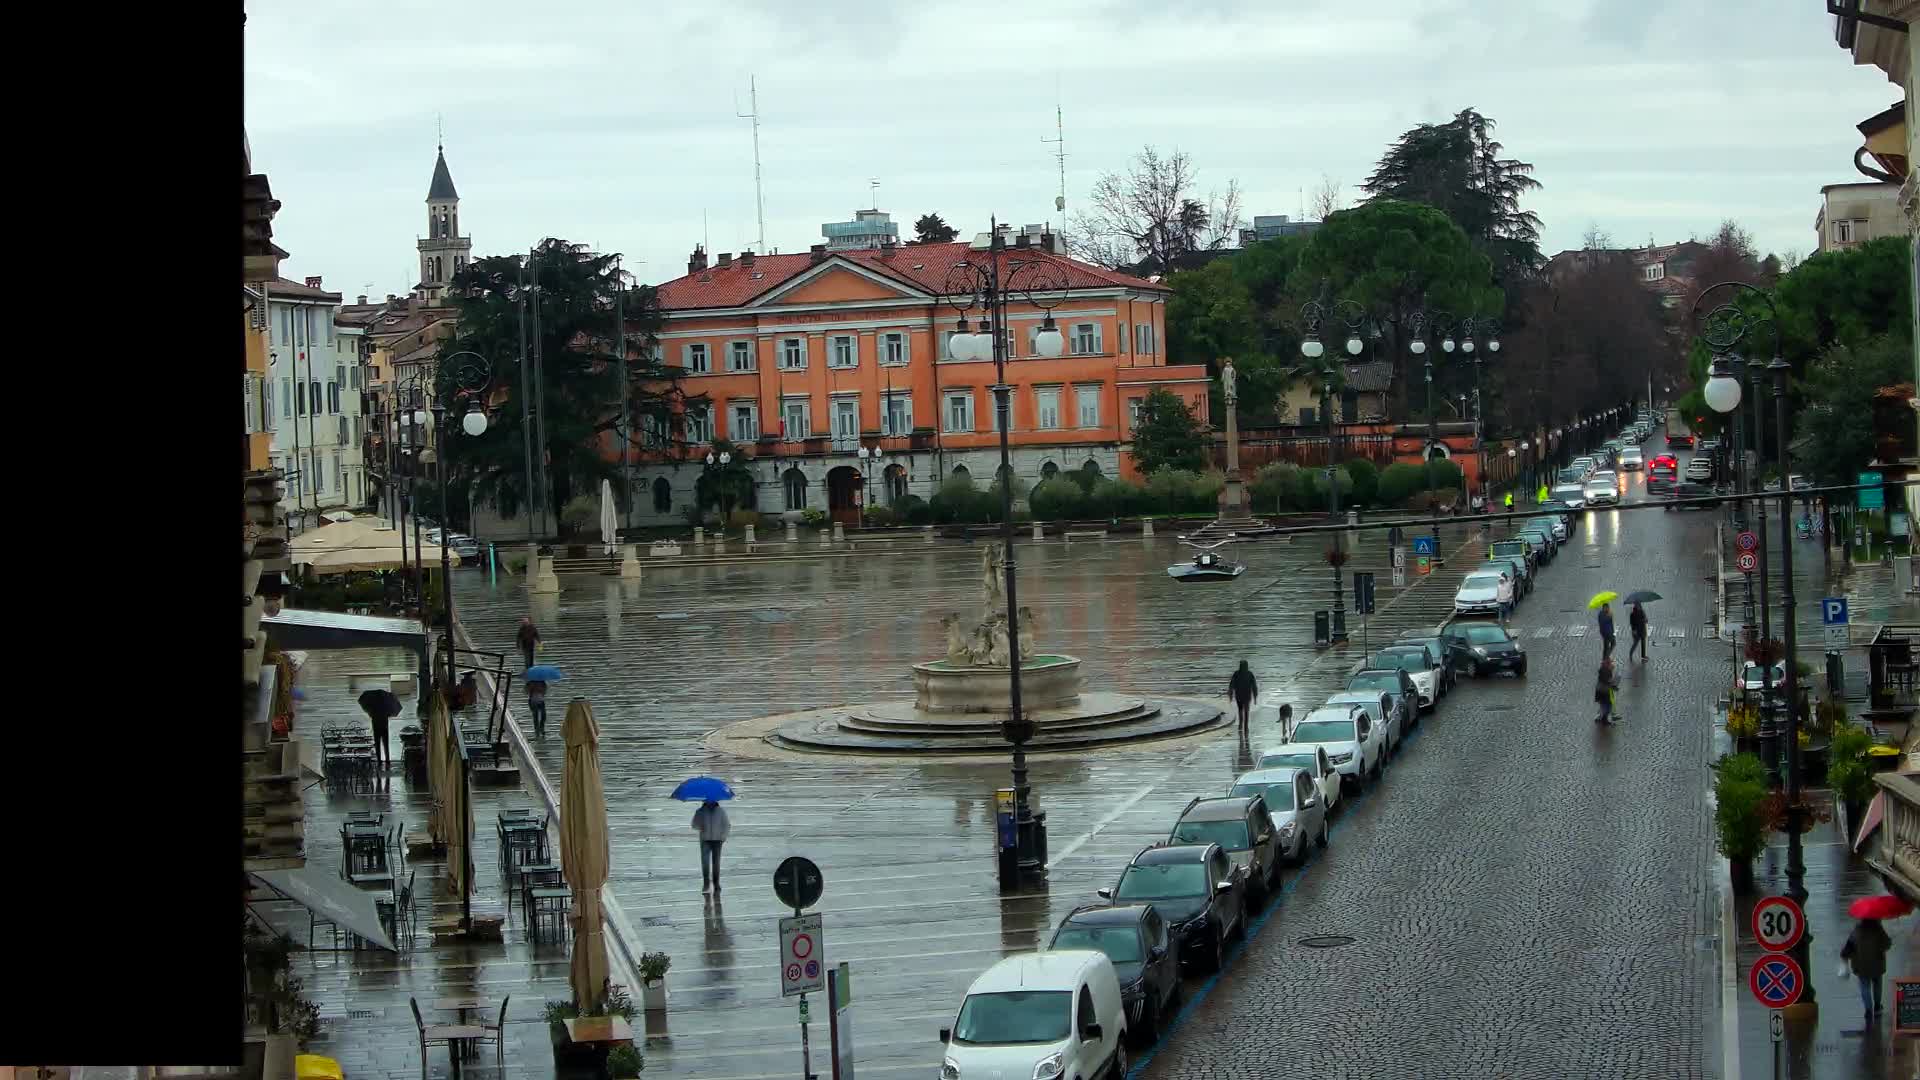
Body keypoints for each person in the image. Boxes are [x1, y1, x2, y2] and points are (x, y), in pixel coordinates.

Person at [1841, 916, 1894, 1022]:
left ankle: (1868, 1010)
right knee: (1877, 985)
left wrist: (1845, 957)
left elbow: (1849, 946)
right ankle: (1877, 1006)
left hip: (1861, 965)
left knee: (1865, 987)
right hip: (1877, 964)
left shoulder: (1857, 930)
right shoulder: (1879, 930)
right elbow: (1887, 944)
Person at [693, 798, 731, 893]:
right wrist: (699, 825)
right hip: (705, 839)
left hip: (717, 840)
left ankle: (716, 883)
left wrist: (723, 837)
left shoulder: (721, 811)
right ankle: (706, 884)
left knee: (716, 863)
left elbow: (726, 825)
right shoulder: (700, 811)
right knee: (705, 863)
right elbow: (694, 824)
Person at [1228, 661, 1257, 733]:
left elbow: (1232, 685)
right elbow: (1254, 686)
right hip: (1247, 695)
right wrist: (1255, 697)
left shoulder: (1236, 674)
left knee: (1240, 709)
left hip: (1239, 695)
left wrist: (1231, 695)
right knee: (1246, 710)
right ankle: (1246, 726)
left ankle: (1241, 724)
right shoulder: (1250, 674)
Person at [1594, 658, 1619, 725]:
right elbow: (1607, 682)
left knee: (1605, 705)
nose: (1612, 665)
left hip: (1603, 691)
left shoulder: (1606, 670)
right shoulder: (1605, 671)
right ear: (1607, 665)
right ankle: (1603, 720)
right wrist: (1613, 684)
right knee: (1607, 706)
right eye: (1611, 664)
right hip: (1604, 692)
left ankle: (1601, 718)